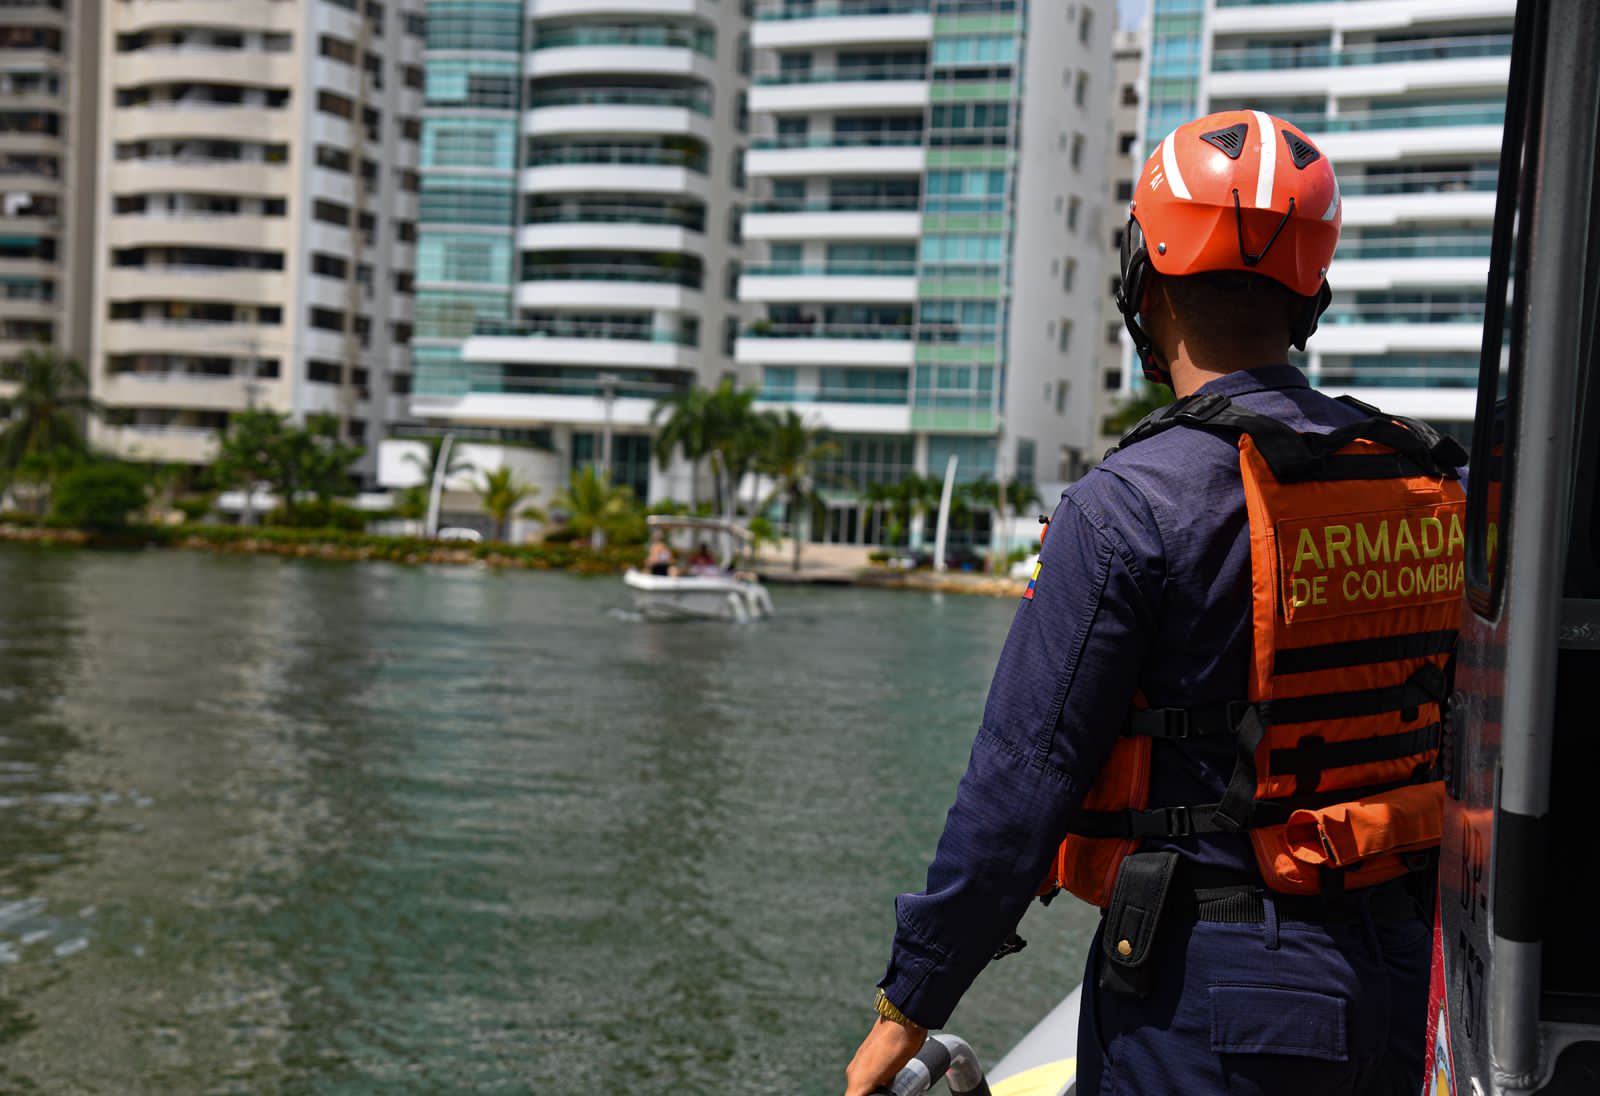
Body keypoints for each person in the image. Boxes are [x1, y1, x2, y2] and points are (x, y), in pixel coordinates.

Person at [843, 110, 1465, 1096]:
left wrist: (909, 1002)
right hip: (1402, 976)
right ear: (1312, 290)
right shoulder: (1426, 480)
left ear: (1145, 281)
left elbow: (1021, 782)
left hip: (1211, 1002)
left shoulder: (1128, 505)